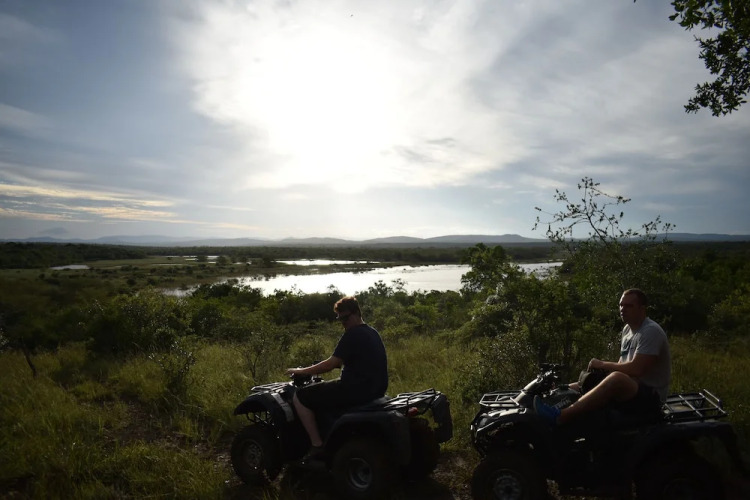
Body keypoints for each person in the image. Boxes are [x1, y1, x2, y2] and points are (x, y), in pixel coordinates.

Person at [534, 288, 671, 425]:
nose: (623, 309)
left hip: (651, 397)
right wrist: (593, 379)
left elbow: (636, 369)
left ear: (642, 309)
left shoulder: (650, 331)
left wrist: (602, 364)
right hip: (631, 388)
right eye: (621, 305)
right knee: (581, 383)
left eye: (629, 305)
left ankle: (561, 416)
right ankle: (544, 406)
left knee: (616, 378)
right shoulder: (627, 330)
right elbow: (622, 364)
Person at [286, 296, 388, 458]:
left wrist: (301, 371)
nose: (343, 323)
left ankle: (317, 445)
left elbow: (331, 364)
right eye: (340, 319)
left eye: (346, 318)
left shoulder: (353, 334)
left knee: (300, 396)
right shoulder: (372, 332)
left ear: (357, 313)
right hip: (375, 390)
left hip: (354, 390)